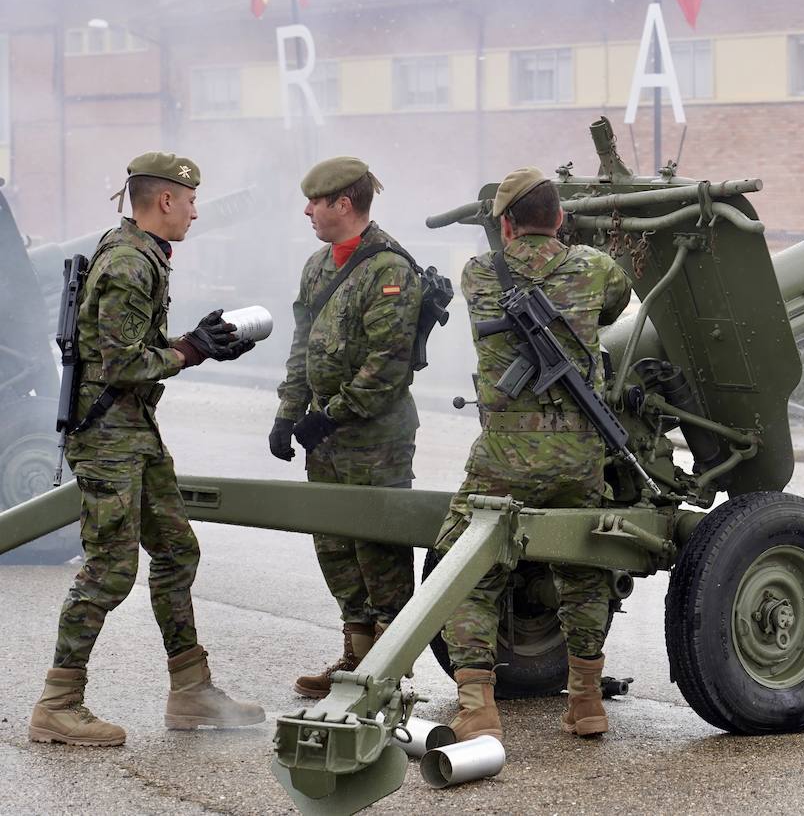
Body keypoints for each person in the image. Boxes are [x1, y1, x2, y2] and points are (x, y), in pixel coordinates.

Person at [29, 152, 263, 747]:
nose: (193, 211)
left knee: (177, 551)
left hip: (132, 432)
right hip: (109, 437)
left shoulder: (140, 251)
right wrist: (191, 349)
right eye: (189, 200)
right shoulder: (132, 262)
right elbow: (121, 362)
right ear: (164, 200)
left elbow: (132, 345)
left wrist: (198, 342)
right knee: (110, 569)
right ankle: (58, 703)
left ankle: (190, 690)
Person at [433, 166, 632, 742]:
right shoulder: (594, 268)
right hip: (580, 453)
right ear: (561, 217)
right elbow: (614, 305)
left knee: (467, 567)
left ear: (504, 223)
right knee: (585, 566)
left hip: (504, 457)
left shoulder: (478, 273)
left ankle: (476, 705)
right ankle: (587, 698)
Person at [270, 156, 423, 698]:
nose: (308, 210)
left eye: (316, 201)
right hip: (325, 439)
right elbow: (302, 346)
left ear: (344, 204)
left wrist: (327, 415)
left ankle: (387, 673)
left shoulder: (389, 269)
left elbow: (387, 364)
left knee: (378, 551)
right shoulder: (317, 266)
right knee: (335, 546)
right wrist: (288, 413)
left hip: (374, 439)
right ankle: (355, 658)